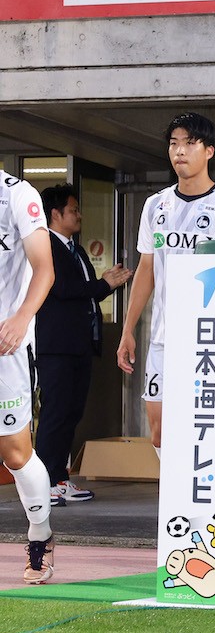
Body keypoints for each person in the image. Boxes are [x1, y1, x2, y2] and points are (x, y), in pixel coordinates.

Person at [117, 113, 215, 456]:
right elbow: (146, 269)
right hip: (164, 337)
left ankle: (207, 505)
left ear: (209, 151)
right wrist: (128, 330)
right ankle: (178, 506)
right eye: (174, 144)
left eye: (190, 143)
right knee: (160, 432)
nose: (180, 151)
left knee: (207, 427)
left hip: (211, 341)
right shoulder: (154, 206)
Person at [34, 185, 131, 506]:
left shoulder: (74, 249)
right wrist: (102, 284)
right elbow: (60, 288)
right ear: (55, 214)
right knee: (56, 412)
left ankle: (60, 478)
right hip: (55, 344)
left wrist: (107, 283)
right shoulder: (45, 245)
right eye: (73, 210)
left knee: (71, 412)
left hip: (77, 344)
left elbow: (83, 291)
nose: (79, 215)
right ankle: (44, 482)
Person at [0, 171, 55, 583]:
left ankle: (41, 533)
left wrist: (21, 318)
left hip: (6, 344)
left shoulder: (17, 195)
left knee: (15, 454)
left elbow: (44, 268)